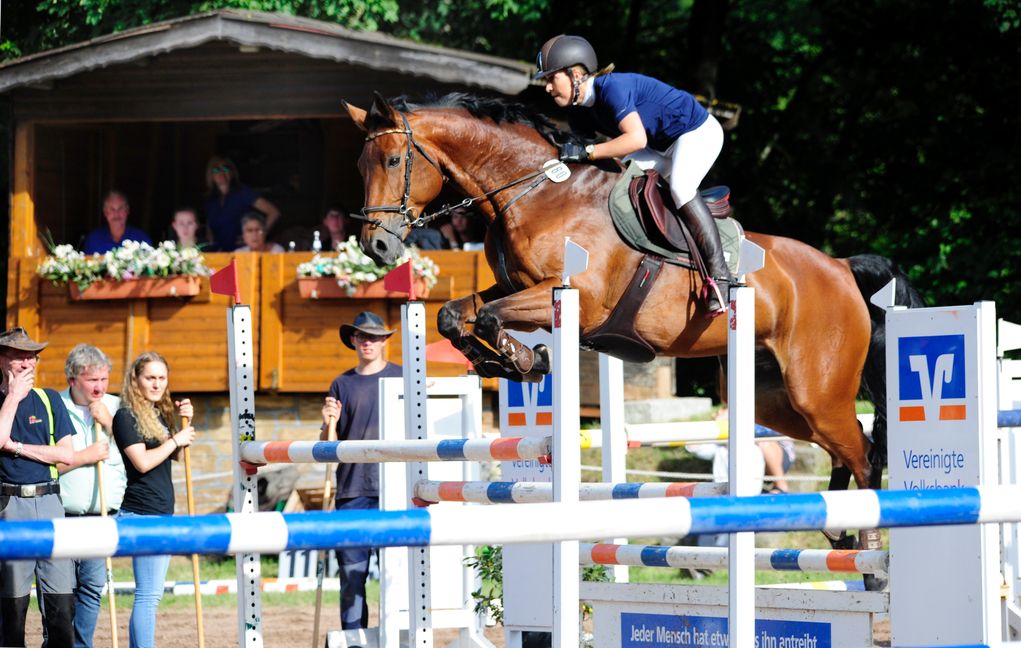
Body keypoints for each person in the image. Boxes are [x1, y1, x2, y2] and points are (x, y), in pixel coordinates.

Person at [533, 34, 732, 317]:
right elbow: (586, 163)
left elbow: (635, 139)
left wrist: (588, 151)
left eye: (552, 79)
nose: (548, 88)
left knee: (680, 187)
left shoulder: (613, 88)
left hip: (697, 133)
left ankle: (720, 277)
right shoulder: (579, 112)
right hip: (661, 147)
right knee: (620, 179)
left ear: (576, 74)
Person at [321, 311, 401, 630]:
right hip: (352, 491)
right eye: (362, 336)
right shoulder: (341, 384)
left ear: (384, 341)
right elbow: (329, 446)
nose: (368, 342)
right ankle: (354, 639)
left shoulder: (403, 377)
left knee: (397, 577)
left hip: (393, 490)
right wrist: (329, 421)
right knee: (352, 578)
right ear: (353, 340)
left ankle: (396, 635)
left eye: (374, 337)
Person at [113, 351, 195, 648]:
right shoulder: (126, 416)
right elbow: (142, 462)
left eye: (162, 377)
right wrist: (176, 439)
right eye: (150, 378)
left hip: (161, 512)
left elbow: (177, 456)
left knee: (152, 594)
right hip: (142, 512)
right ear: (136, 380)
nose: (157, 383)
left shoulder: (158, 413)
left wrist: (184, 425)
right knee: (148, 594)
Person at [0, 327, 76, 648]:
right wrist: (13, 397)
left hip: (49, 504)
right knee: (12, 608)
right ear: (2, 360)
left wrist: (15, 447)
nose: (28, 362)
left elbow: (66, 455)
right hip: (9, 505)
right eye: (20, 356)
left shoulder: (50, 399)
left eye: (32, 356)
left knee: (62, 607)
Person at [57, 343, 128, 648]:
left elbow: (134, 451)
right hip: (62, 514)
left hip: (103, 516)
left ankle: (81, 645)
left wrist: (111, 424)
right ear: (73, 379)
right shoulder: (54, 407)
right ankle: (57, 643)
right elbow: (46, 465)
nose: (99, 387)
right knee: (61, 590)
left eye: (103, 379)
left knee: (91, 587)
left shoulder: (118, 407)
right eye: (92, 380)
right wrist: (85, 456)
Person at [204, 155, 281, 251]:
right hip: (219, 251)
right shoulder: (210, 199)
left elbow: (274, 212)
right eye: (216, 170)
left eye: (226, 169)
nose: (222, 173)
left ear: (232, 173)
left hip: (242, 250)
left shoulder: (243, 192)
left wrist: (256, 236)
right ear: (210, 175)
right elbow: (209, 225)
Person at [83, 190, 152, 255]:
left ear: (127, 210)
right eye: (112, 209)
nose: (116, 214)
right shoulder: (94, 239)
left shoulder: (141, 238)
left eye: (120, 208)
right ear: (105, 212)